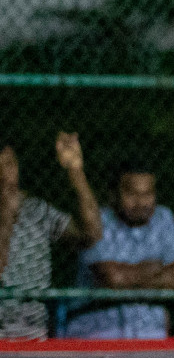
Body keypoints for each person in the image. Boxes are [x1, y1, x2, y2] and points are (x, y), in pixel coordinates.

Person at [64, 164, 174, 340]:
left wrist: (128, 275)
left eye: (147, 194)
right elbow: (112, 279)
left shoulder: (162, 217)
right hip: (98, 332)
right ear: (113, 195)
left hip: (151, 330)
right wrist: (155, 270)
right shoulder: (96, 222)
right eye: (131, 194)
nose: (141, 202)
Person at [0, 133, 104, 340]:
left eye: (9, 164)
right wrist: (6, 215)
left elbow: (92, 234)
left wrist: (75, 172)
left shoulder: (35, 210)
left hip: (34, 338)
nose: (4, 174)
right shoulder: (9, 211)